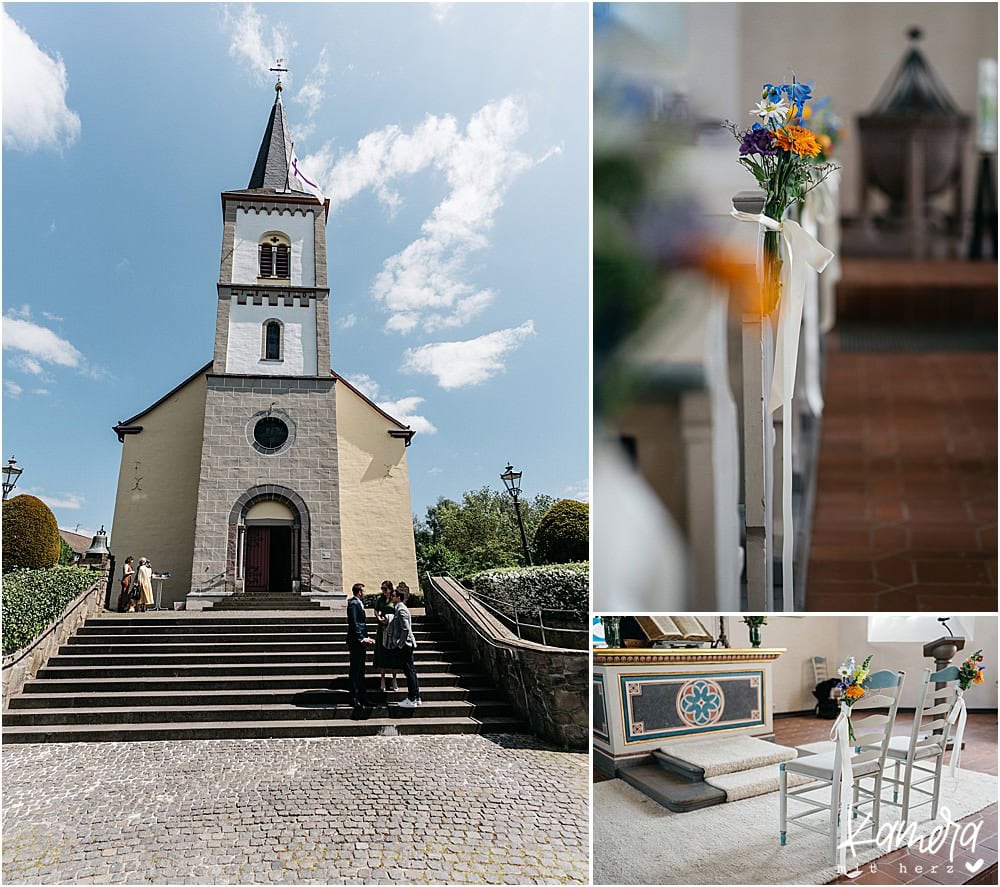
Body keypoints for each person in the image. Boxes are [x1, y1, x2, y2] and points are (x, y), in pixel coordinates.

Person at [388, 583, 420, 707]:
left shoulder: (401, 610)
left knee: (409, 672)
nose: (392, 598)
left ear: (399, 598)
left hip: (405, 645)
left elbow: (405, 629)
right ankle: (416, 697)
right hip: (407, 644)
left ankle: (412, 698)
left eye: (393, 596)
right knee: (411, 671)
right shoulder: (399, 608)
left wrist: (400, 644)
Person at [346, 582, 375, 709]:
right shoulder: (353, 604)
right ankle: (354, 697)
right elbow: (354, 623)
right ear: (359, 592)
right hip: (356, 641)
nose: (365, 593)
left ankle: (362, 696)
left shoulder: (358, 603)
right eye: (363, 591)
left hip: (360, 640)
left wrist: (365, 637)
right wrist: (361, 638)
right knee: (356, 670)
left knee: (360, 670)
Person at [373, 580, 399, 693]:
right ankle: (382, 679)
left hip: (392, 629)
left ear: (390, 589)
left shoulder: (394, 598)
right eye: (382, 589)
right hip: (382, 629)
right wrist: (378, 618)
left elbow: (398, 611)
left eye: (385, 589)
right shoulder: (380, 599)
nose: (383, 591)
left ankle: (394, 680)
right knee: (382, 653)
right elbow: (376, 610)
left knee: (393, 655)